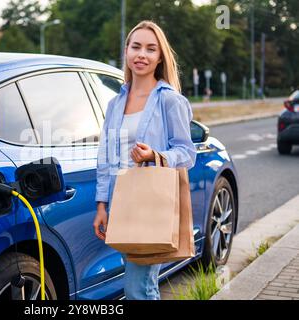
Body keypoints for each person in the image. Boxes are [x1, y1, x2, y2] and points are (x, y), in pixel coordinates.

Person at [93, 20, 197, 300]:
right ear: (126, 51)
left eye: (151, 49)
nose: (142, 54)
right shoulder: (115, 103)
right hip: (121, 202)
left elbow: (187, 152)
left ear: (160, 56)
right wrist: (102, 205)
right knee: (141, 286)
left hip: (151, 203)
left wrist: (155, 155)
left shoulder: (169, 100)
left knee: (138, 288)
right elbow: (105, 157)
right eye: (136, 47)